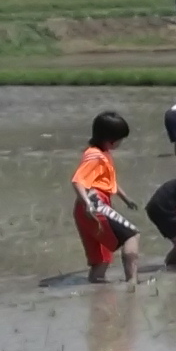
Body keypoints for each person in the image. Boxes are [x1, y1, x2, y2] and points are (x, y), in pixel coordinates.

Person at [70, 111, 141, 284]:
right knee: (132, 235)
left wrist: (126, 199)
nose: (121, 143)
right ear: (111, 140)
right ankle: (132, 282)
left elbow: (109, 183)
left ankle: (98, 291)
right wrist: (88, 204)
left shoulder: (102, 153)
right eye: (120, 140)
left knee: (102, 259)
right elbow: (78, 181)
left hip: (84, 209)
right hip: (94, 204)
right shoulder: (95, 156)